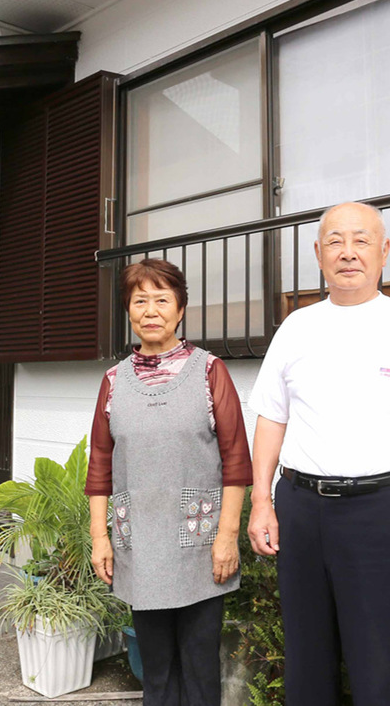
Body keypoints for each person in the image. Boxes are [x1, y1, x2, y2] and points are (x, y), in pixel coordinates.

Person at [246, 202, 390, 706]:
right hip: (300, 508)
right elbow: (270, 418)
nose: (348, 253)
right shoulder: (296, 328)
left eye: (361, 240)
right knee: (306, 657)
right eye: (335, 241)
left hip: (378, 511)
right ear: (318, 254)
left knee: (380, 660)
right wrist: (261, 501)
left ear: (384, 251)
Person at [86, 258, 252, 706]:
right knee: (155, 672)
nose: (151, 310)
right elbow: (100, 462)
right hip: (139, 543)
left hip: (201, 546)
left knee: (200, 667)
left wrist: (228, 536)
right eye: (140, 300)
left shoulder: (210, 371)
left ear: (180, 310)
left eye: (162, 299)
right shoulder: (114, 381)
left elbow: (236, 459)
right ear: (129, 311)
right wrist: (99, 537)